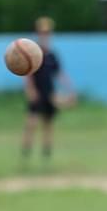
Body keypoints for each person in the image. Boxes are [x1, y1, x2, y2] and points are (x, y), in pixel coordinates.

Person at [21, 17, 73, 161]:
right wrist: (30, 90)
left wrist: (70, 89)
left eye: (47, 32)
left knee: (48, 123)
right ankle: (26, 151)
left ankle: (46, 153)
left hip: (49, 92)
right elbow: (28, 74)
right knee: (31, 122)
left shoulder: (52, 55)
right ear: (38, 33)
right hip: (37, 92)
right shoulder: (33, 52)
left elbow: (59, 74)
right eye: (42, 32)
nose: (45, 35)